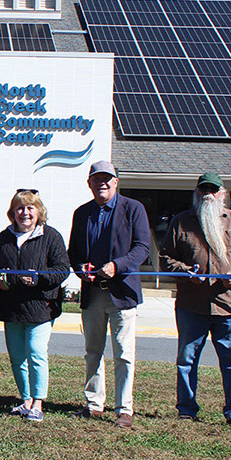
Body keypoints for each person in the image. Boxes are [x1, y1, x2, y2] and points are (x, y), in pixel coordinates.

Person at [160, 173, 231, 430]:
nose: (208, 194)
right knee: (187, 359)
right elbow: (166, 258)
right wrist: (185, 273)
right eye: (203, 189)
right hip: (191, 304)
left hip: (228, 304)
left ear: (222, 194)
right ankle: (186, 410)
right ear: (196, 193)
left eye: (213, 190)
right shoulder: (181, 222)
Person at [67, 160, 151, 428]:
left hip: (122, 293)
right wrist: (81, 269)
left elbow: (142, 248)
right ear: (89, 183)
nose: (102, 183)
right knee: (93, 351)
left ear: (116, 182)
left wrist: (117, 266)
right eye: (96, 178)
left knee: (124, 353)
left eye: (107, 178)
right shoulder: (81, 213)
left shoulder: (133, 209)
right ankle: (94, 405)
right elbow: (74, 252)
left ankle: (124, 409)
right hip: (92, 293)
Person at [0, 189, 70, 422]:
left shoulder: (51, 236)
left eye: (30, 208)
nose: (25, 213)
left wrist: (38, 278)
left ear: (38, 211)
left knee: (36, 352)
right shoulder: (3, 238)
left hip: (41, 307)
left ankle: (38, 402)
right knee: (17, 356)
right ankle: (25, 400)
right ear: (12, 212)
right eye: (20, 208)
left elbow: (62, 269)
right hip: (12, 307)